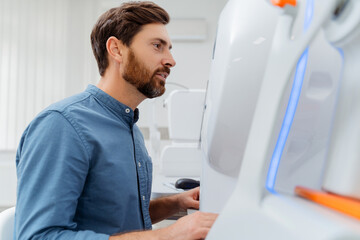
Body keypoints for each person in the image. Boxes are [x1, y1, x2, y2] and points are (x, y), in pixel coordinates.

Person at [14, 1, 218, 240]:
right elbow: (37, 237)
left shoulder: (130, 129)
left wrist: (175, 203)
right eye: (157, 46)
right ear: (117, 50)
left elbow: (117, 218)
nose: (171, 60)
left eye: (169, 48)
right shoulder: (63, 126)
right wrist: (167, 235)